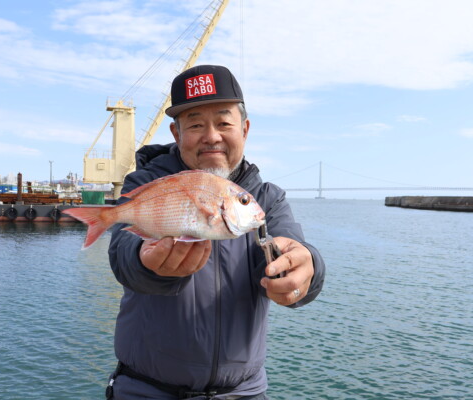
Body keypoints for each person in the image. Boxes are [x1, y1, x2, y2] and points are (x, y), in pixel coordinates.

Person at [106, 65, 325, 399]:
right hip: (146, 391)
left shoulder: (266, 198)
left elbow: (292, 250)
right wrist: (145, 262)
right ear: (177, 134)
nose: (211, 136)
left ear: (245, 129)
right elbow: (123, 253)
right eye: (195, 124)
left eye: (224, 122)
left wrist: (305, 268)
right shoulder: (144, 184)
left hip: (245, 393)